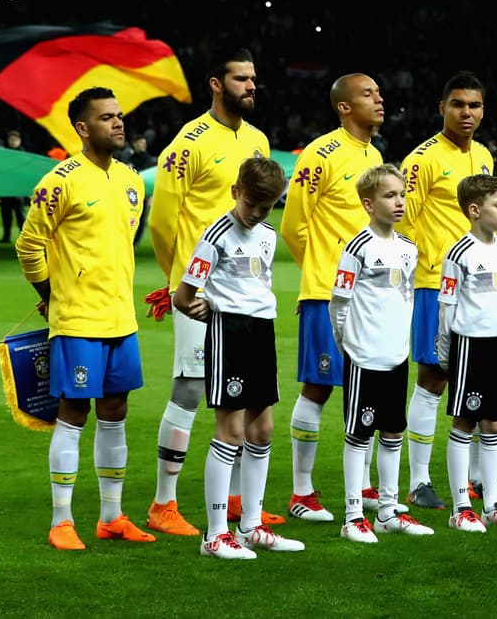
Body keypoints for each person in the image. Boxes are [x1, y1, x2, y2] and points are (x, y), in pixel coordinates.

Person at [16, 87, 156, 550]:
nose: (118, 123)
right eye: (106, 118)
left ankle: (111, 517)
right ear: (82, 127)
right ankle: (62, 522)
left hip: (121, 319)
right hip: (77, 322)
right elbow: (29, 245)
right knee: (73, 415)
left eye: (119, 116)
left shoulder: (132, 181)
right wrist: (52, 295)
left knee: (115, 415)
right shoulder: (61, 181)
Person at [146, 52, 272, 536]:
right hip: (197, 291)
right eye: (242, 78)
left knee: (243, 393)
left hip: (240, 293)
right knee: (191, 387)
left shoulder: (256, 140)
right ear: (217, 84)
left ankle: (239, 501)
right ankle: (164, 502)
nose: (251, 86)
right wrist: (179, 278)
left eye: (254, 79)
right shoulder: (189, 142)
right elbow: (162, 220)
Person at [172, 157, 302, 558]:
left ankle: (251, 526)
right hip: (229, 334)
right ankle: (214, 535)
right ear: (235, 192)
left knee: (262, 431)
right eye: (252, 205)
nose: (258, 214)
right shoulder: (216, 235)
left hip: (261, 331)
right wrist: (205, 307)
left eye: (267, 207)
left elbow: (257, 284)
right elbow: (183, 295)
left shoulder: (266, 234)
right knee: (230, 432)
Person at [282, 73, 385, 521]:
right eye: (368, 94)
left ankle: (360, 485)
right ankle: (301, 493)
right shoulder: (319, 154)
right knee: (319, 386)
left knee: (368, 389)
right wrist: (324, 270)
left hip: (372, 295)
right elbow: (292, 225)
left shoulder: (374, 154)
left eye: (379, 93)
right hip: (327, 292)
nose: (379, 100)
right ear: (344, 106)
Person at [394, 72, 495, 511]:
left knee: (472, 379)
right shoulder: (422, 160)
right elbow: (404, 221)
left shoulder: (485, 156)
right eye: (458, 105)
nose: (467, 113)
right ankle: (418, 481)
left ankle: (472, 479)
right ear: (442, 108)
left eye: (474, 105)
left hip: (480, 288)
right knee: (434, 378)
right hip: (436, 284)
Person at [331, 164, 435, 542]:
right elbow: (338, 303)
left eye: (402, 195)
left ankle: (388, 510)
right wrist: (348, 343)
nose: (399, 202)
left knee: (393, 432)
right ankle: (353, 515)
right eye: (389, 196)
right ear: (368, 203)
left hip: (396, 355)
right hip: (365, 356)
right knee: (359, 435)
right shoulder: (357, 247)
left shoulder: (409, 248)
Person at [438, 174, 497, 532]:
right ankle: (461, 507)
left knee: (494, 423)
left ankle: (493, 504)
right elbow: (446, 307)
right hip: (469, 345)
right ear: (475, 210)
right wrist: (447, 353)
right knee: (464, 423)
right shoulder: (459, 253)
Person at [0, 129, 27, 243]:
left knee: (20, 216)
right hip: (6, 191)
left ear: (19, 141)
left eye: (15, 140)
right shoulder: (5, 154)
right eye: (11, 140)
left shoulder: (23, 155)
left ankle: (23, 237)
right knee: (6, 215)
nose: (13, 142)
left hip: (18, 191)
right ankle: (6, 237)